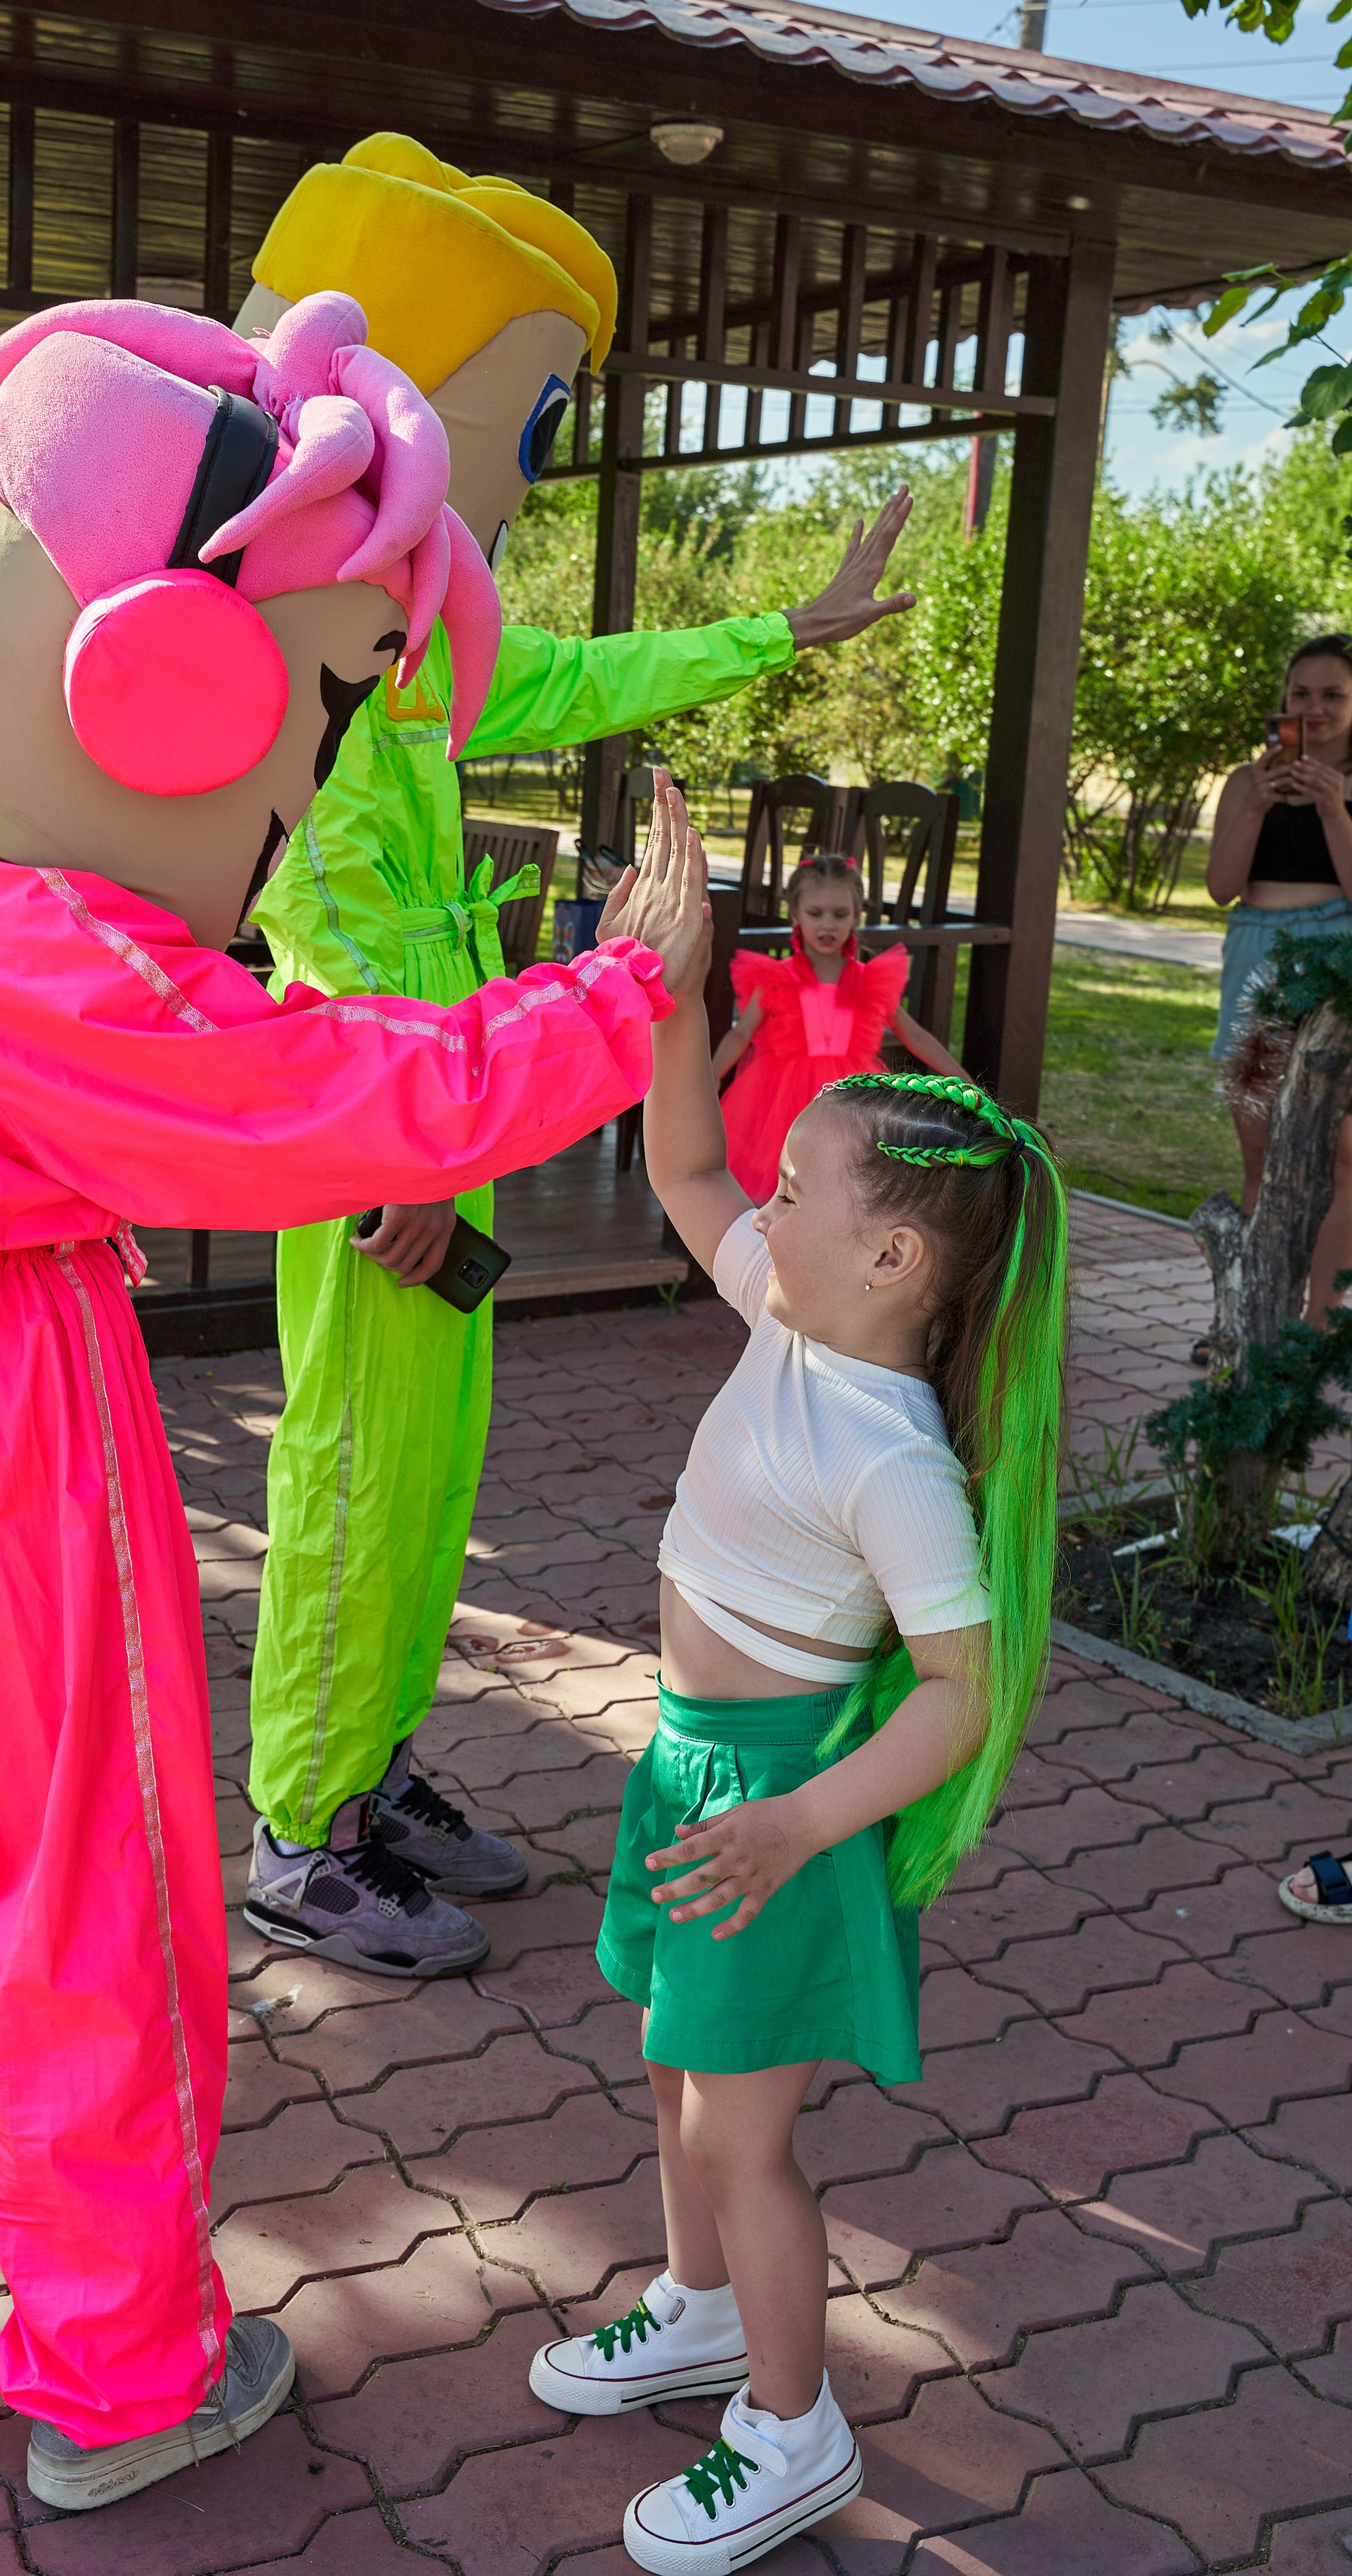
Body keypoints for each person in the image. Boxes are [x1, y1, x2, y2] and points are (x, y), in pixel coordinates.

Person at [0, 291, 706, 2522]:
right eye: (314, 703)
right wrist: (626, 997)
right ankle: (118, 2377)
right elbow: (317, 1098)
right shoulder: (11, 933)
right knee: (85, 1887)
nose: (303, 764)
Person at [235, 134, 918, 1981]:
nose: (522, 482)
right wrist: (376, 1160)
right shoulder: (292, 655)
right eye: (518, 422)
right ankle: (300, 1832)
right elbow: (291, 920)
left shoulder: (421, 656)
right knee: (348, 1487)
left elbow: (590, 670)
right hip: (361, 1147)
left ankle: (364, 1775)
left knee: (428, 1491)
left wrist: (795, 624)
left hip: (436, 1140)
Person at [528, 782, 1066, 2572]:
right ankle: (691, 2312)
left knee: (752, 2142)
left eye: (800, 1186)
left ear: (895, 1257)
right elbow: (685, 1161)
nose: (761, 1191)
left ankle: (793, 2425)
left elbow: (960, 1694)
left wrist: (796, 1826)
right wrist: (670, 993)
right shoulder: (789, 1302)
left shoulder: (893, 1449)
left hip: (772, 1800)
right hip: (698, 1767)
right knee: (678, 2076)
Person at [1206, 635, 1352, 1335]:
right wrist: (1257, 805)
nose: (1314, 708)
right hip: (1257, 956)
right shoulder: (1246, 778)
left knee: (1345, 1152)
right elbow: (1218, 887)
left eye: (1333, 695)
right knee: (1259, 1147)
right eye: (1302, 694)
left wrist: (1333, 811)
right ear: (1284, 700)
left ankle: (1318, 1325)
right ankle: (1247, 1318)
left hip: (1337, 965)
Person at [712, 850, 966, 1204]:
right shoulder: (776, 979)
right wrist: (711, 1076)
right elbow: (742, 1034)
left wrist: (960, 1078)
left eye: (840, 914)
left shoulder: (868, 981)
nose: (827, 925)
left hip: (852, 1094)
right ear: (795, 914)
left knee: (849, 1184)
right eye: (815, 914)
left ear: (856, 916)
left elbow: (915, 1034)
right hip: (780, 1098)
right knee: (782, 1185)